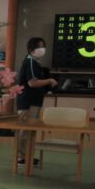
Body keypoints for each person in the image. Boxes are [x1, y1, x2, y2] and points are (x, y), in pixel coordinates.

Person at [16, 37, 58, 165]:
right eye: (39, 46)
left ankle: (27, 155)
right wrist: (49, 80)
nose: (42, 49)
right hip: (28, 102)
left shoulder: (35, 62)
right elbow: (32, 83)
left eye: (43, 46)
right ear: (31, 49)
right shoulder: (30, 62)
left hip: (34, 102)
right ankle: (21, 157)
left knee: (29, 130)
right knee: (24, 130)